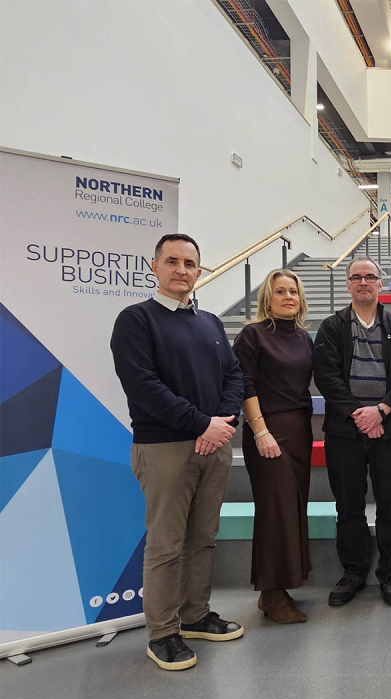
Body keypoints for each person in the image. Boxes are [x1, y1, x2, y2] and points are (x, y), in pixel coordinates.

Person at [110, 233, 244, 671]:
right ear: (155, 267)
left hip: (214, 444)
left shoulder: (209, 323)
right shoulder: (136, 320)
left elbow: (234, 377)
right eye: (172, 261)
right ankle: (162, 633)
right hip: (164, 447)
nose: (181, 270)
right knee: (166, 544)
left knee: (202, 538)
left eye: (189, 263)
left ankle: (195, 615)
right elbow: (144, 387)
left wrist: (221, 424)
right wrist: (201, 423)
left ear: (199, 271)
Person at [313, 257, 391, 607]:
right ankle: (354, 572)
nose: (363, 282)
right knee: (348, 507)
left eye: (369, 277)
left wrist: (381, 411)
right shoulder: (331, 328)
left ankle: (390, 574)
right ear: (348, 284)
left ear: (380, 283)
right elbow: (326, 377)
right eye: (356, 277)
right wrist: (360, 416)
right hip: (345, 432)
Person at [232, 269, 313, 624]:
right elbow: (244, 385)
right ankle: (271, 592)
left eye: (292, 291)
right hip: (267, 431)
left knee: (292, 509)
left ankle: (281, 588)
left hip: (299, 431)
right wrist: (260, 431)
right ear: (268, 297)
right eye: (280, 291)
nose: (288, 297)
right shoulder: (252, 334)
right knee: (275, 510)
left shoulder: (304, 337)